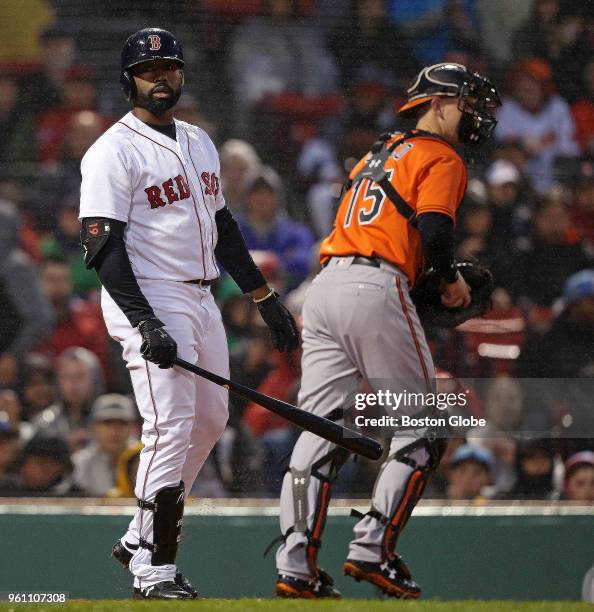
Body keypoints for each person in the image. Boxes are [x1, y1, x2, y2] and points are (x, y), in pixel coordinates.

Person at [78, 28, 298, 600]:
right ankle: (155, 569)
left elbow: (223, 228)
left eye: (170, 69)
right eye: (149, 71)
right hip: (149, 292)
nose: (161, 79)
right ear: (129, 81)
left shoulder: (199, 141)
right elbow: (102, 246)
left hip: (201, 296)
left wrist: (262, 295)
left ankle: (136, 537)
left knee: (208, 421)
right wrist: (145, 321)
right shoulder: (111, 150)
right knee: (170, 425)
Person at [273, 62, 501, 598]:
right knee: (423, 427)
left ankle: (295, 565)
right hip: (376, 285)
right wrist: (448, 281)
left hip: (325, 287)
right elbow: (436, 228)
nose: (474, 116)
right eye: (467, 105)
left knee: (319, 430)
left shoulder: (378, 153)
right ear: (438, 104)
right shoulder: (440, 154)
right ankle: (373, 549)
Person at [72, 394, 138, 496]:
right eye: (107, 423)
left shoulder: (144, 459)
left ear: (132, 427)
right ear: (93, 427)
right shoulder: (81, 462)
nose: (114, 430)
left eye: (122, 423)